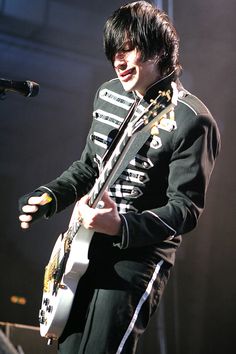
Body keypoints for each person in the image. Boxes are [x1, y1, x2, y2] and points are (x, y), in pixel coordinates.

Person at [18, 1, 220, 353]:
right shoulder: (107, 94)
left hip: (136, 260)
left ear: (158, 50)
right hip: (83, 247)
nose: (118, 60)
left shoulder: (191, 119)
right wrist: (50, 198)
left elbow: (185, 209)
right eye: (114, 51)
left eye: (128, 49)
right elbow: (88, 167)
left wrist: (121, 226)